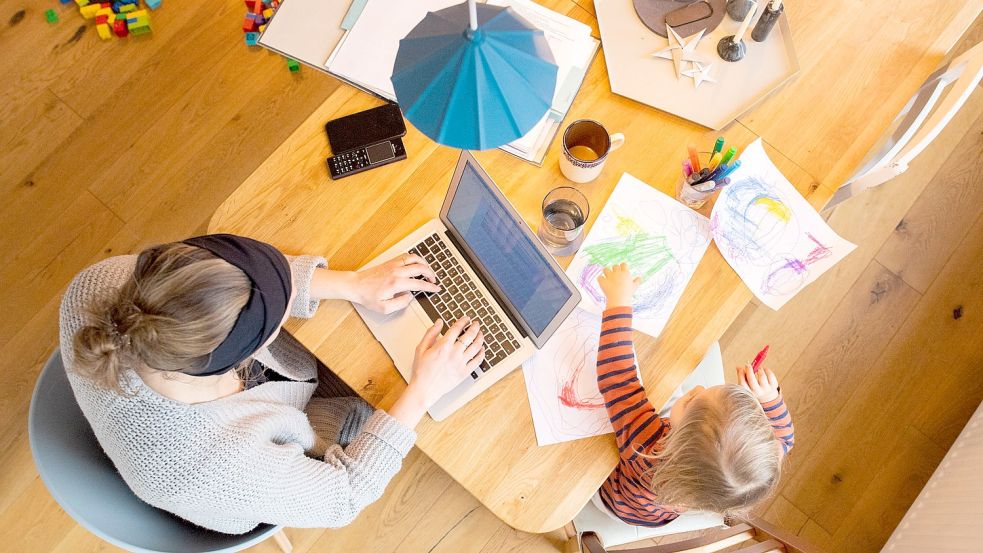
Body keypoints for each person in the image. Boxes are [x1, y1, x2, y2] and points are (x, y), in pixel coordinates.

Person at [59, 234, 485, 534]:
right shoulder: (218, 468)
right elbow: (346, 496)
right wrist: (423, 389)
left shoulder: (110, 284)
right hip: (266, 472)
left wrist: (352, 283)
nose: (286, 310)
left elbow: (230, 280)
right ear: (239, 359)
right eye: (277, 315)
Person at [592, 263, 794, 527]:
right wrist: (769, 398)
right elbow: (784, 438)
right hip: (662, 508)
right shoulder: (758, 468)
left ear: (672, 440)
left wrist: (618, 302)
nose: (696, 388)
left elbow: (617, 376)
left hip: (615, 498)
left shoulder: (646, 444)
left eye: (688, 401)